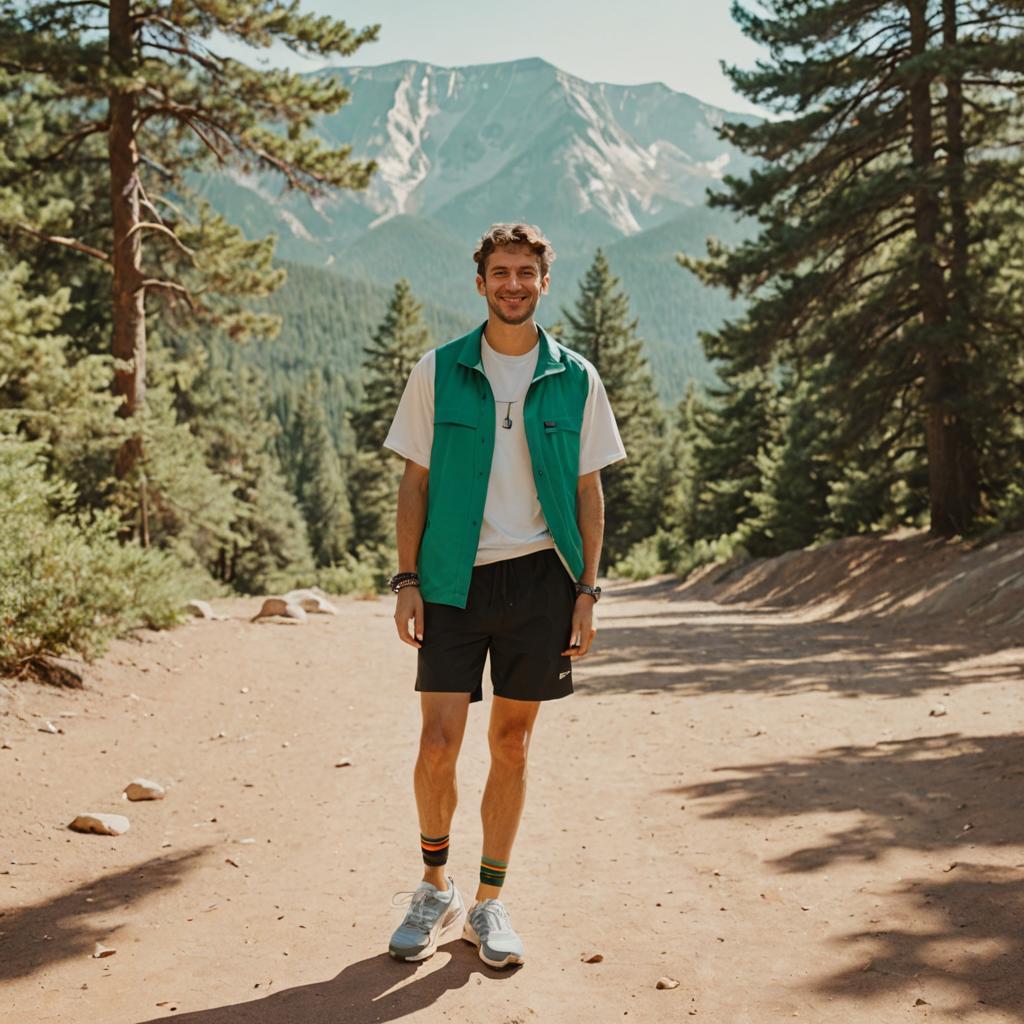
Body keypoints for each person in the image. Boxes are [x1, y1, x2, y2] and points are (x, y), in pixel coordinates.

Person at [382, 223, 626, 969]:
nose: (513, 283)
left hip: (542, 581)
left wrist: (586, 590)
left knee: (513, 745)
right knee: (437, 744)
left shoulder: (576, 376)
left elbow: (589, 492)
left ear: (544, 283)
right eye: (500, 271)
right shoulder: (440, 369)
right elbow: (414, 484)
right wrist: (407, 580)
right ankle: (433, 887)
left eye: (526, 272)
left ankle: (490, 901)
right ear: (479, 280)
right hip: (454, 578)